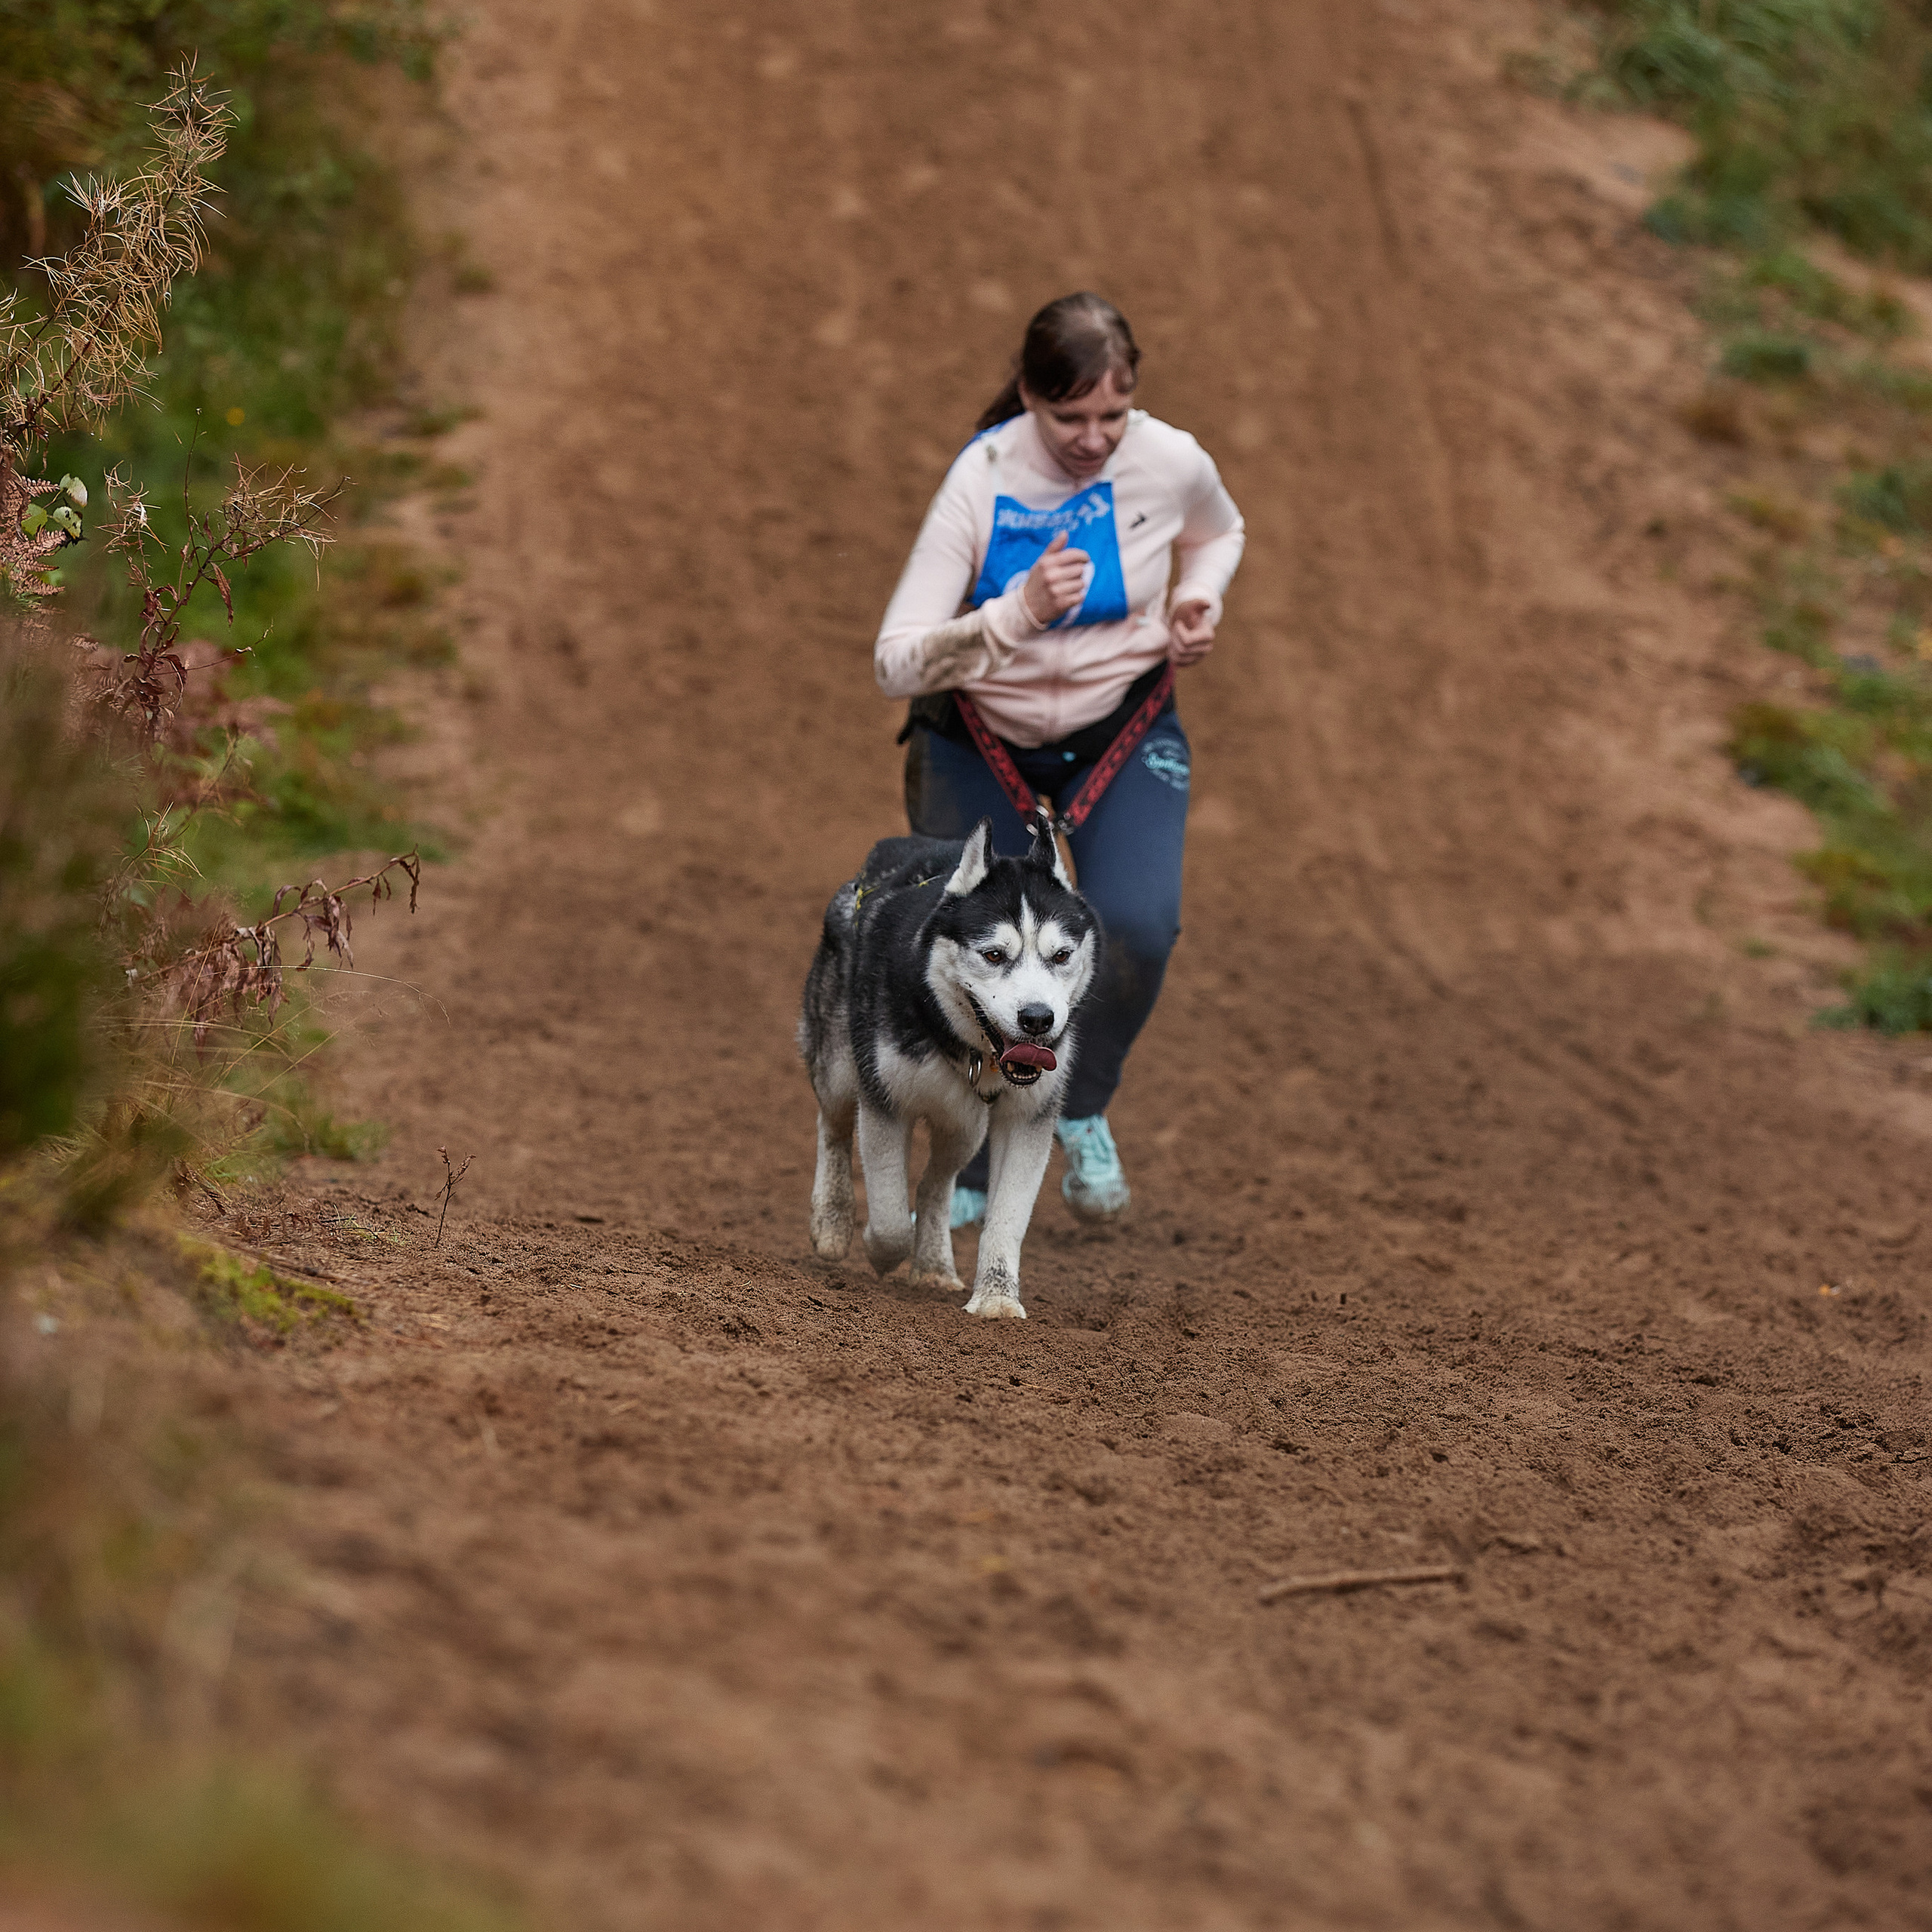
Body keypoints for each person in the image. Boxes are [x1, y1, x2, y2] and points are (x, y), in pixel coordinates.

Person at [875, 291, 1244, 1227]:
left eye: (1111, 416)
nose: (1092, 438)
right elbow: (896, 659)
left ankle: (1078, 1105)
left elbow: (1219, 531)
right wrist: (1016, 614)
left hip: (1122, 729)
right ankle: (967, 1159)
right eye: (1068, 417)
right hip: (978, 739)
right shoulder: (983, 476)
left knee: (1139, 925)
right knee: (977, 955)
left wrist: (1199, 598)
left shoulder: (1170, 459)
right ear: (1031, 401)